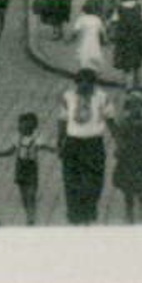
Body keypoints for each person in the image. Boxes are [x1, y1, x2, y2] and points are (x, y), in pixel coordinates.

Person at [56, 68, 112, 225]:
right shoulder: (68, 97)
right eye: (81, 82)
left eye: (89, 83)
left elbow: (110, 119)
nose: (85, 86)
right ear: (77, 83)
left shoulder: (103, 98)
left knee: (94, 181)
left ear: (94, 84)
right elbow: (62, 120)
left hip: (94, 144)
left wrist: (120, 141)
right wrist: (60, 142)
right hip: (73, 144)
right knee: (72, 181)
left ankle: (89, 213)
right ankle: (74, 215)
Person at [0, 111, 54, 226]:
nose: (21, 128)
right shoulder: (17, 138)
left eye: (25, 125)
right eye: (20, 125)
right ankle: (28, 212)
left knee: (31, 193)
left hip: (31, 167)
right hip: (20, 167)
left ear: (32, 127)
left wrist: (54, 150)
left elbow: (44, 146)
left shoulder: (37, 138)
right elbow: (10, 151)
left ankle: (31, 215)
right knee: (23, 194)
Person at [108, 93, 142, 224]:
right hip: (128, 157)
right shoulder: (123, 122)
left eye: (138, 105)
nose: (135, 108)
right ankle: (129, 212)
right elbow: (118, 138)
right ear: (128, 107)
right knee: (128, 187)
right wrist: (119, 148)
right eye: (132, 106)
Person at [110, 0, 142, 90]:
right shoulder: (141, 7)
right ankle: (137, 85)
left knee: (126, 64)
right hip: (138, 38)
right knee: (138, 64)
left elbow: (114, 23)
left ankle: (128, 85)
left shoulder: (119, 7)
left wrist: (113, 36)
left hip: (124, 39)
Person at [71, 0, 108, 75]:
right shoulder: (98, 20)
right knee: (95, 70)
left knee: (83, 68)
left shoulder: (81, 19)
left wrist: (70, 39)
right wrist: (105, 41)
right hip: (95, 49)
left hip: (83, 49)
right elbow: (104, 34)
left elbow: (75, 32)